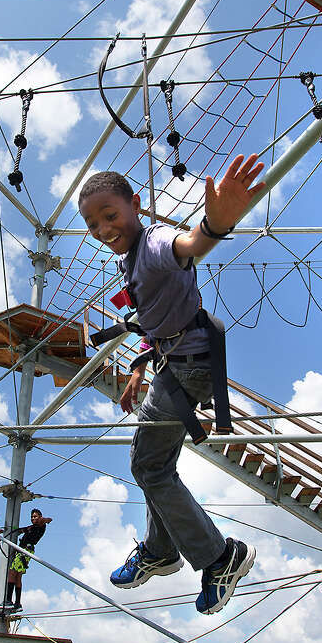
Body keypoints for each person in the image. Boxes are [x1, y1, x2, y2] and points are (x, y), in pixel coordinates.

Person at [77, 154, 265, 615]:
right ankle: (162, 550)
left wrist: (214, 226)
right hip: (171, 363)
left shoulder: (155, 241)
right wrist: (138, 370)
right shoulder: (131, 259)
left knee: (151, 467)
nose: (103, 229)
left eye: (110, 216)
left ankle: (220, 557)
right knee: (150, 463)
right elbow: (154, 320)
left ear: (136, 206)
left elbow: (187, 246)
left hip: (188, 367)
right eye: (92, 223)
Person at [2, 508, 52, 613]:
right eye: (32, 517)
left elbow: (48, 520)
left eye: (35, 516)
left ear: (40, 517)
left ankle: (8, 601)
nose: (33, 518)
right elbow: (19, 530)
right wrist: (5, 530)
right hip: (25, 552)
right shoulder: (30, 528)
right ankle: (17, 603)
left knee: (12, 573)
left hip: (24, 552)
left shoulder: (41, 525)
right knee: (18, 576)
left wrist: (43, 519)